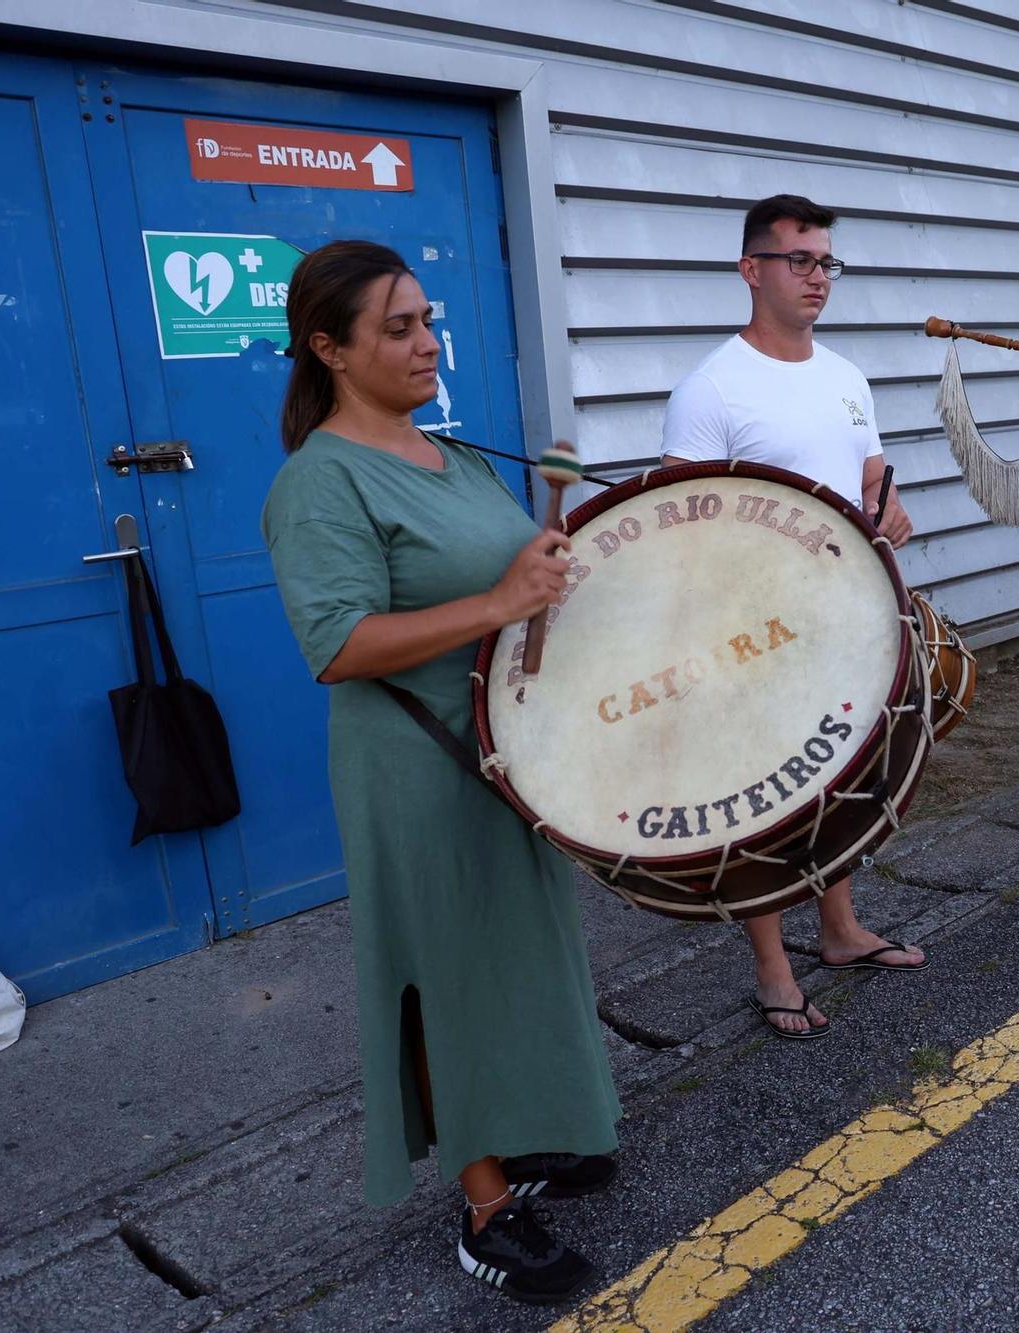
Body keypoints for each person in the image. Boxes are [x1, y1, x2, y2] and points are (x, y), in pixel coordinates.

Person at [260, 240, 620, 1306]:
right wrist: (501, 602)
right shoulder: (317, 481)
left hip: (502, 754)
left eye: (427, 320)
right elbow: (336, 645)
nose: (426, 344)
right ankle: (483, 1206)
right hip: (413, 763)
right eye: (397, 329)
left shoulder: (453, 456)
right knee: (443, 971)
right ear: (327, 349)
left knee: (523, 947)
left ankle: (538, 1125)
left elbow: (516, 583)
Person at [658, 194, 921, 1041]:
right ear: (751, 270)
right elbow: (683, 529)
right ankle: (773, 967)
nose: (818, 278)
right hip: (754, 629)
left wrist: (890, 507)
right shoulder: (711, 388)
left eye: (826, 263)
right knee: (763, 798)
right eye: (800, 261)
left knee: (837, 775)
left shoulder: (845, 375)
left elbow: (868, 467)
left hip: (847, 616)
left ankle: (839, 929)